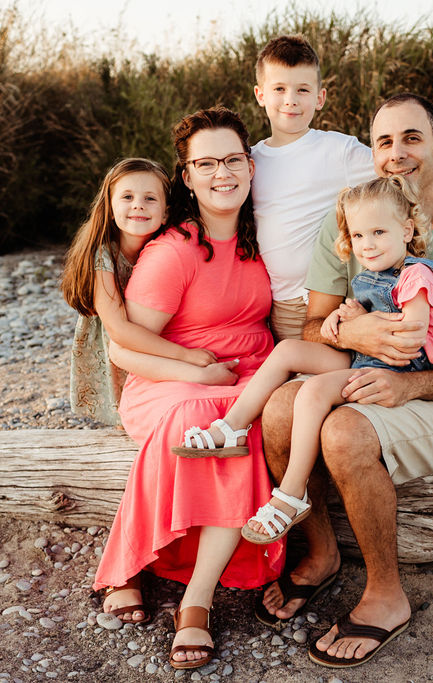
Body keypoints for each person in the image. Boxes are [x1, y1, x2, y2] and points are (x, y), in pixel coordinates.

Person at [258, 93, 433, 668]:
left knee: (344, 435)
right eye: (384, 141)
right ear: (372, 152)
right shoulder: (357, 221)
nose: (397, 152)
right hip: (359, 371)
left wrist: (410, 387)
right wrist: (350, 335)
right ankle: (323, 552)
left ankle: (386, 594)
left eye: (412, 138)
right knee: (280, 409)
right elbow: (313, 322)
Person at [91, 107, 284, 670]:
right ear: (188, 176)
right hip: (170, 380)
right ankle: (167, 583)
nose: (221, 173)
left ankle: (191, 592)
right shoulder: (173, 250)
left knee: (254, 414)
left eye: (231, 160)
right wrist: (195, 372)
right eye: (206, 163)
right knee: (206, 415)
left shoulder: (262, 237)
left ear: (249, 166)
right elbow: (123, 348)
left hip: (248, 372)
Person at [172, 176, 433, 553]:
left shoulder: (416, 275)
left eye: (377, 232)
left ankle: (292, 493)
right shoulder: (374, 272)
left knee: (313, 392)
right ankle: (233, 427)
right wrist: (349, 318)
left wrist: (366, 328)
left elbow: (411, 334)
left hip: (398, 369)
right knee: (289, 350)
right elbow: (368, 318)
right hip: (367, 355)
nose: (366, 244)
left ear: (406, 230)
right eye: (357, 236)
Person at [250, 35, 433, 341]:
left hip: (324, 298)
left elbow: (400, 172)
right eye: (279, 89)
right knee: (280, 376)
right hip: (274, 301)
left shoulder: (339, 150)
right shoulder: (252, 160)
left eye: (302, 90)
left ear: (320, 97)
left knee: (308, 369)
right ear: (260, 94)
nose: (290, 100)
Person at [61, 158, 236, 428]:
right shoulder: (103, 256)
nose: (138, 205)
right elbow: (119, 330)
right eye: (127, 197)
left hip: (153, 334)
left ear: (166, 212)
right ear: (109, 208)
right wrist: (186, 355)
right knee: (123, 401)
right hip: (120, 338)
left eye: (150, 198)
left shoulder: (168, 248)